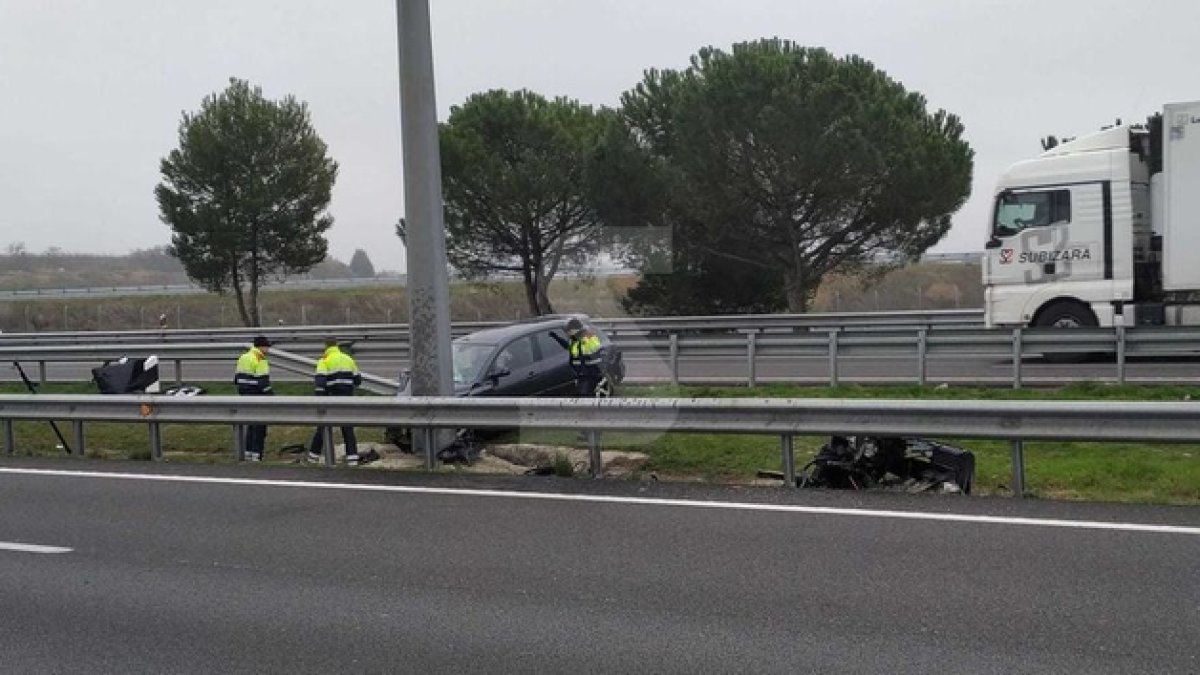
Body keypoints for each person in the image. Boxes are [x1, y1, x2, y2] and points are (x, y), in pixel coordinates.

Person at [308, 338, 364, 465]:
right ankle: (352, 459)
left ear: (326, 347)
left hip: (331, 400)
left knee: (322, 428)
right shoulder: (348, 359)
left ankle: (313, 457)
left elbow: (320, 385)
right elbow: (358, 381)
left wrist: (320, 402)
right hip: (346, 400)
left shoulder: (324, 360)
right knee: (348, 429)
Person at [233, 336, 273, 461]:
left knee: (251, 424)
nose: (268, 349)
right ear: (261, 347)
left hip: (244, 395)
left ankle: (248, 453)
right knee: (259, 426)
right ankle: (257, 455)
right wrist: (272, 397)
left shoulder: (243, 357)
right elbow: (263, 383)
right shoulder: (260, 359)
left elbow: (236, 379)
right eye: (267, 346)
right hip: (257, 395)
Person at [551, 317, 605, 397]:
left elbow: (593, 349)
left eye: (569, 330)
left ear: (575, 330)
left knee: (585, 395)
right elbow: (569, 348)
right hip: (580, 373)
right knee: (580, 395)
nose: (568, 333)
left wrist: (584, 340)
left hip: (590, 373)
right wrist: (557, 338)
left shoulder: (588, 338)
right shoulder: (574, 340)